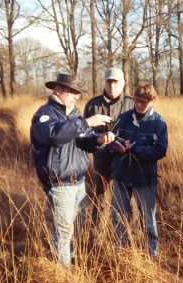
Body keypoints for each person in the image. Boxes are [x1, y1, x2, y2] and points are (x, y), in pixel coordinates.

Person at [30, 73, 115, 267]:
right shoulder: (44, 115)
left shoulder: (75, 114)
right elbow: (55, 136)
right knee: (63, 232)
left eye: (78, 93)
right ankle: (63, 272)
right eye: (72, 92)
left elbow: (84, 140)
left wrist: (99, 140)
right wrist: (87, 122)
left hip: (79, 181)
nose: (76, 96)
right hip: (60, 183)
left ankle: (72, 262)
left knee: (75, 229)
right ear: (58, 89)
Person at [110, 82, 167, 257]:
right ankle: (122, 253)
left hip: (145, 178)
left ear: (152, 101)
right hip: (121, 175)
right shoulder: (124, 117)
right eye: (137, 101)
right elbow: (112, 139)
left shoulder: (158, 123)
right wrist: (117, 146)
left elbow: (160, 151)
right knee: (118, 217)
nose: (140, 105)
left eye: (144, 102)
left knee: (148, 220)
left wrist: (135, 149)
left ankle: (152, 255)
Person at [84, 67, 134, 226]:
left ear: (124, 83)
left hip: (127, 163)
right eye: (108, 82)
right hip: (102, 163)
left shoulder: (132, 104)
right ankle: (96, 242)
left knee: (129, 203)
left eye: (115, 82)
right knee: (100, 202)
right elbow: (84, 135)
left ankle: (129, 242)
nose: (112, 86)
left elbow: (141, 132)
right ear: (104, 83)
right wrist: (98, 141)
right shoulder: (93, 105)